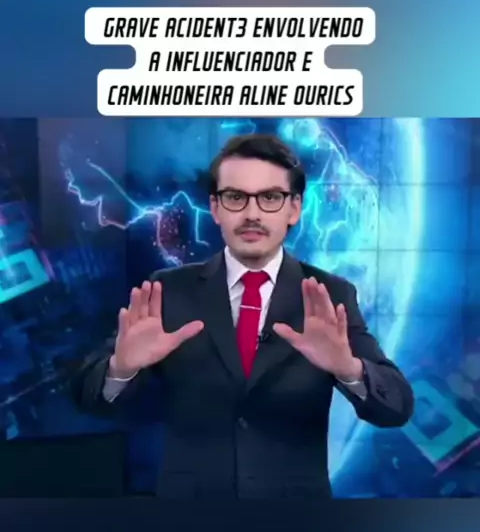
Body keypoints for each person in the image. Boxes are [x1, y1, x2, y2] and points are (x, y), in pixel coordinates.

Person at [72, 134, 414, 499]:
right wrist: (121, 369)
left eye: (270, 198)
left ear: (294, 209)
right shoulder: (168, 291)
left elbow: (396, 407)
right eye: (236, 198)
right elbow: (88, 397)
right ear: (215, 208)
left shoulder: (330, 295)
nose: (252, 214)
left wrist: (349, 369)